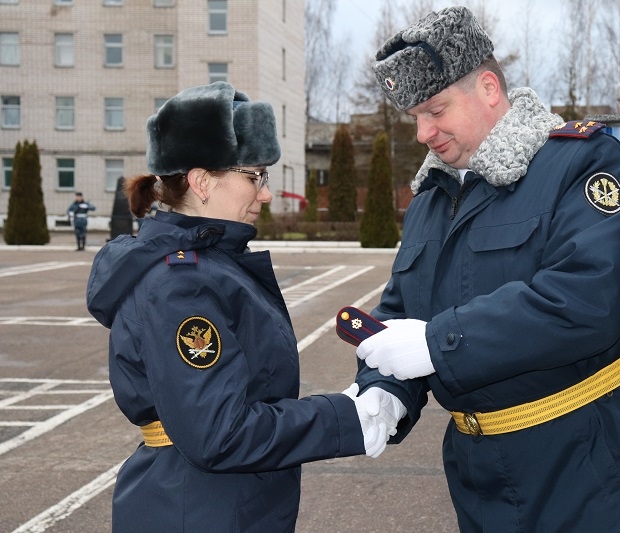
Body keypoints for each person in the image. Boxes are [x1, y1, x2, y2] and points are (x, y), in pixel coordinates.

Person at [351, 6, 620, 532]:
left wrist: (436, 343)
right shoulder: (433, 197)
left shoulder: (583, 164)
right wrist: (386, 389)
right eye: (415, 117)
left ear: (489, 88)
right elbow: (403, 307)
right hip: (482, 478)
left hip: (596, 464)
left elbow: (587, 299)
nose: (423, 132)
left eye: (436, 110)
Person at [85, 81, 403, 532]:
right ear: (201, 182)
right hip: (199, 509)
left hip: (214, 500)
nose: (266, 194)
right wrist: (345, 417)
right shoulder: (181, 284)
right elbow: (220, 434)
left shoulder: (210, 266)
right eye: (253, 176)